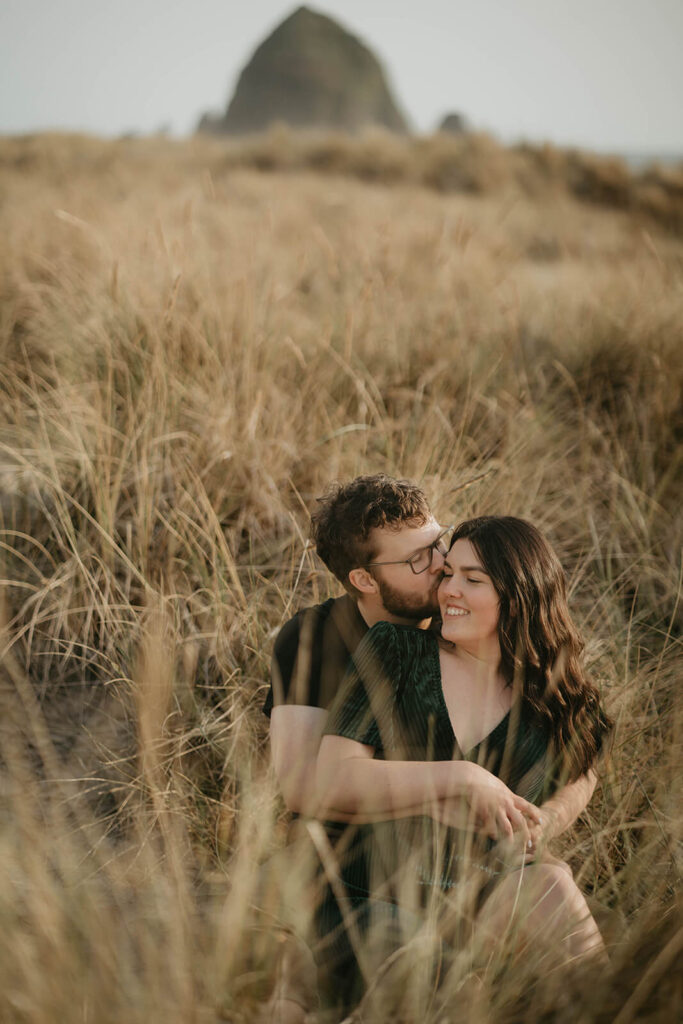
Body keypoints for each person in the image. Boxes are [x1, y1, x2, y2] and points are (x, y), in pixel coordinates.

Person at [262, 480, 597, 1016]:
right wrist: (459, 785)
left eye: (439, 543)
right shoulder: (322, 640)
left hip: (468, 874)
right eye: (420, 559)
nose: (442, 568)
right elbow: (308, 787)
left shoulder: (472, 626)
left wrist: (541, 820)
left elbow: (581, 757)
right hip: (356, 864)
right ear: (364, 579)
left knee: (553, 892)